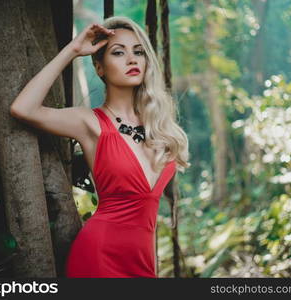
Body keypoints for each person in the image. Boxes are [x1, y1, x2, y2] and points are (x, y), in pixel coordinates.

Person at [10, 16, 190, 278]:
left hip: (142, 263)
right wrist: (73, 50)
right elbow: (22, 108)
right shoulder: (90, 122)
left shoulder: (159, 127)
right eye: (119, 52)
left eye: (138, 52)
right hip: (99, 257)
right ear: (99, 68)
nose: (132, 59)